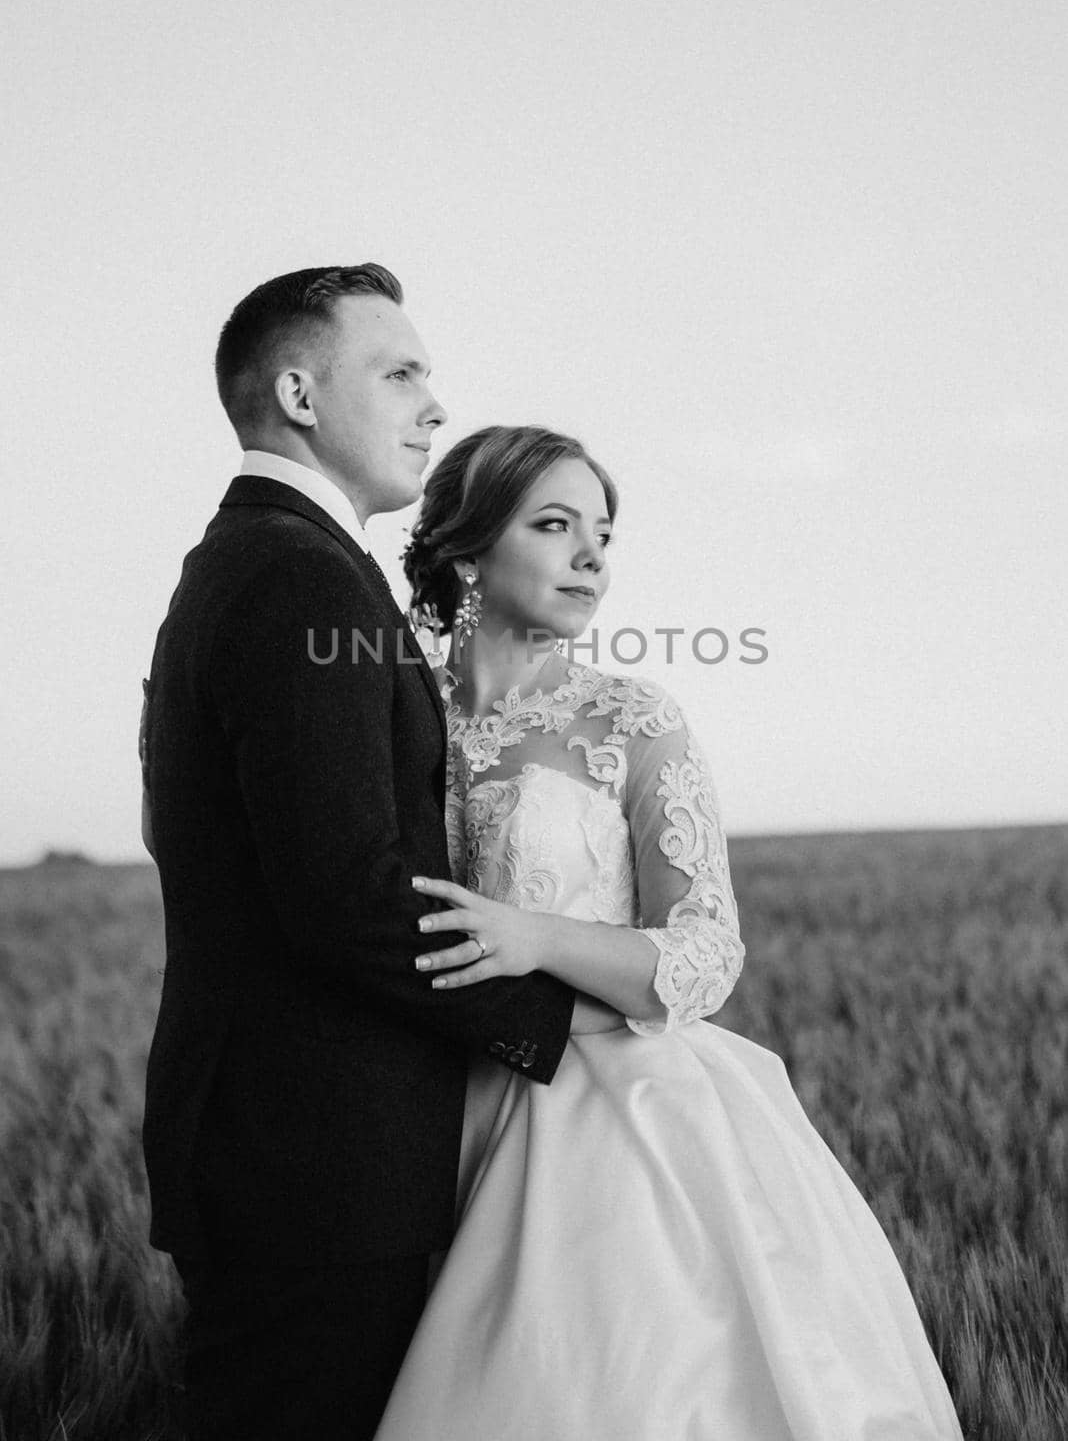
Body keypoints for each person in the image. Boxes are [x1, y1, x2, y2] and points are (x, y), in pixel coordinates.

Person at [372, 424, 965, 1441]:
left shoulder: (631, 720)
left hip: (624, 1118)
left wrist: (539, 939)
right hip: (427, 1117)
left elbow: (706, 953)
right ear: (465, 548)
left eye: (602, 531)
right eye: (554, 524)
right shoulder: (390, 708)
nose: (593, 555)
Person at [138, 271, 611, 1441]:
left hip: (293, 1151)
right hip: (312, 1170)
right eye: (399, 372)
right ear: (298, 393)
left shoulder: (256, 559)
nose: (433, 406)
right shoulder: (297, 572)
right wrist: (558, 1027)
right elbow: (345, 893)